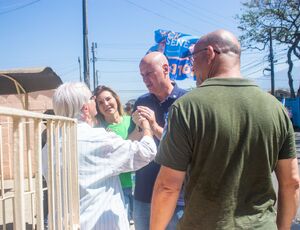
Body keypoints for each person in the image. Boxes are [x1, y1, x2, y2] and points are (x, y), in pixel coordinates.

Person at [151, 29, 300, 230]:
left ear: (210, 53)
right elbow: (291, 182)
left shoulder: (186, 107)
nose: (191, 66)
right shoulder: (276, 108)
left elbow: (168, 187)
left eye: (193, 58)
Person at [44, 82, 157, 230]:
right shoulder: (98, 138)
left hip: (63, 223)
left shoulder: (49, 146)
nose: (97, 102)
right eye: (93, 98)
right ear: (85, 108)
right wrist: (147, 126)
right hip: (99, 223)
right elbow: (147, 151)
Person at [132, 51, 187, 230]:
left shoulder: (187, 101)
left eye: (149, 73)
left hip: (176, 195)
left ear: (166, 69)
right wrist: (137, 128)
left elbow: (187, 147)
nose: (145, 80)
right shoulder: (141, 102)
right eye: (142, 75)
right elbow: (133, 142)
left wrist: (154, 127)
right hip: (144, 192)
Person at [93, 85, 134, 225]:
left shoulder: (132, 121)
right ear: (97, 107)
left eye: (108, 99)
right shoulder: (98, 131)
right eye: (100, 102)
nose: (106, 104)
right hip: (116, 189)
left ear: (116, 99)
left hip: (140, 186)